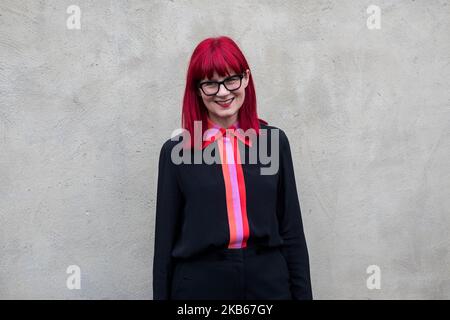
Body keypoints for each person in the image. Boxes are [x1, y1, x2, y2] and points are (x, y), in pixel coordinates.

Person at [153, 36, 312, 300]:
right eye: (211, 84)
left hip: (268, 282)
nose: (223, 92)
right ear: (198, 89)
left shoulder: (274, 143)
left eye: (230, 80)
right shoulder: (176, 153)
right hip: (200, 285)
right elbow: (164, 244)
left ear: (246, 78)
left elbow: (292, 231)